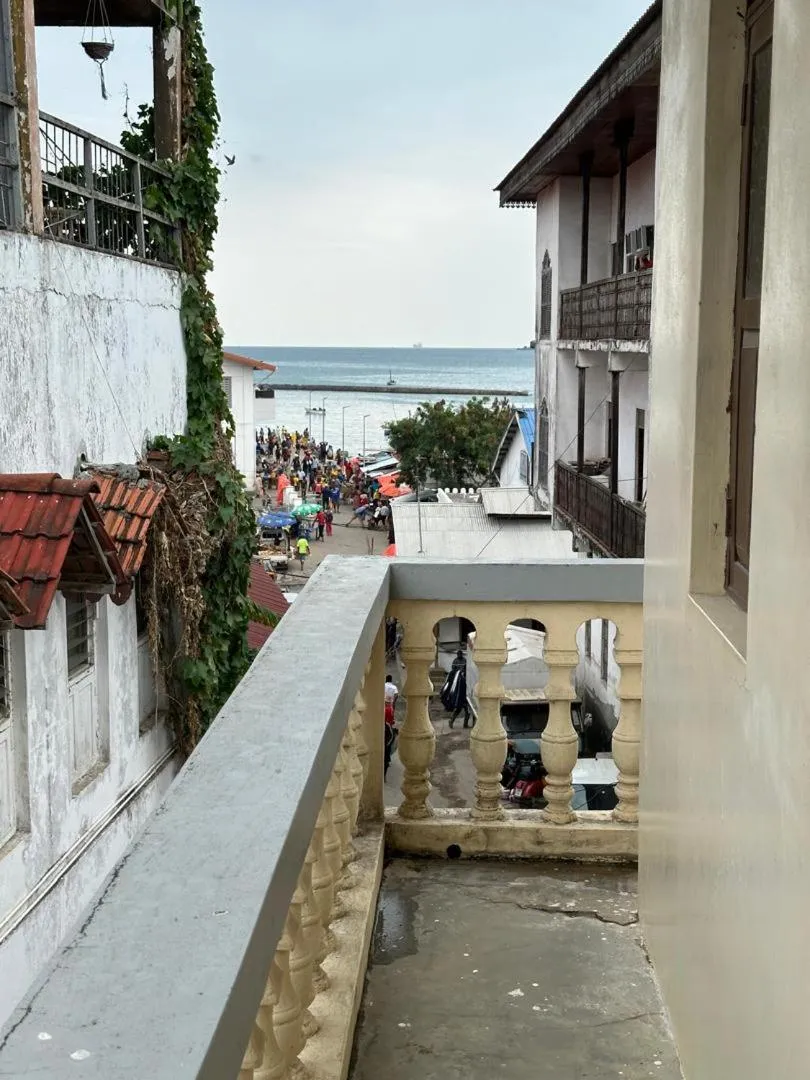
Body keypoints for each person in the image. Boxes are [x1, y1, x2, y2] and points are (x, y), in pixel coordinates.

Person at [441, 649, 470, 728]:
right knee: (459, 710)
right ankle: (451, 721)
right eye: (458, 654)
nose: (459, 655)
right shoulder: (456, 662)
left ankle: (464, 724)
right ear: (457, 654)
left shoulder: (464, 662)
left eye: (460, 654)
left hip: (465, 696)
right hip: (461, 697)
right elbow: (453, 669)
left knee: (467, 711)